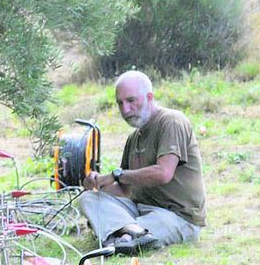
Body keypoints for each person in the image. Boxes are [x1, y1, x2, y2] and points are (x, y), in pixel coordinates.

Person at [78, 70, 206, 254]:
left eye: (131, 101)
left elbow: (163, 173)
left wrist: (117, 175)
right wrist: (99, 184)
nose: (125, 110)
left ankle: (123, 235)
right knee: (89, 199)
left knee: (147, 224)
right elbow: (125, 191)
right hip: (140, 210)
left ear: (149, 97)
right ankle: (130, 235)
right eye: (120, 103)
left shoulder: (172, 121)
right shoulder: (133, 138)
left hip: (178, 217)